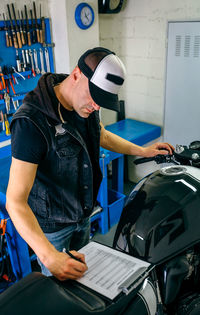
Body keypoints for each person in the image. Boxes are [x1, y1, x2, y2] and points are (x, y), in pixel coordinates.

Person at [6, 47, 173, 281]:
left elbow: (100, 134)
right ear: (76, 75)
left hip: (82, 214)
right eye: (94, 97)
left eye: (101, 101)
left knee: (83, 280)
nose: (96, 106)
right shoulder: (31, 122)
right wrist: (48, 256)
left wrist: (143, 150)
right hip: (54, 227)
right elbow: (15, 201)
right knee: (59, 291)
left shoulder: (83, 104)